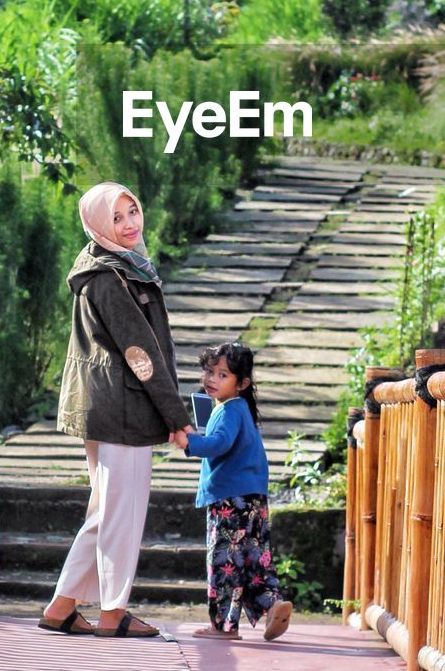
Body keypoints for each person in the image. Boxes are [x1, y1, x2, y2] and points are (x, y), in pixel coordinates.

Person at [39, 181, 193, 639]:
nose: (129, 225)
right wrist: (176, 417)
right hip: (122, 410)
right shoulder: (108, 277)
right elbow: (140, 352)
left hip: (110, 407)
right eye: (117, 218)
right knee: (121, 515)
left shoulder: (116, 268)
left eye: (133, 212)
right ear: (98, 226)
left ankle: (62, 606)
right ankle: (113, 612)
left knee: (105, 510)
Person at [174, 342, 293, 642]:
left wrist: (190, 442)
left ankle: (223, 626)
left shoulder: (229, 411)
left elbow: (218, 444)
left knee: (225, 561)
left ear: (242, 383)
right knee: (253, 558)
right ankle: (273, 603)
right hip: (253, 498)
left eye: (223, 374)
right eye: (210, 372)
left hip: (230, 500)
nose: (212, 379)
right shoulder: (240, 409)